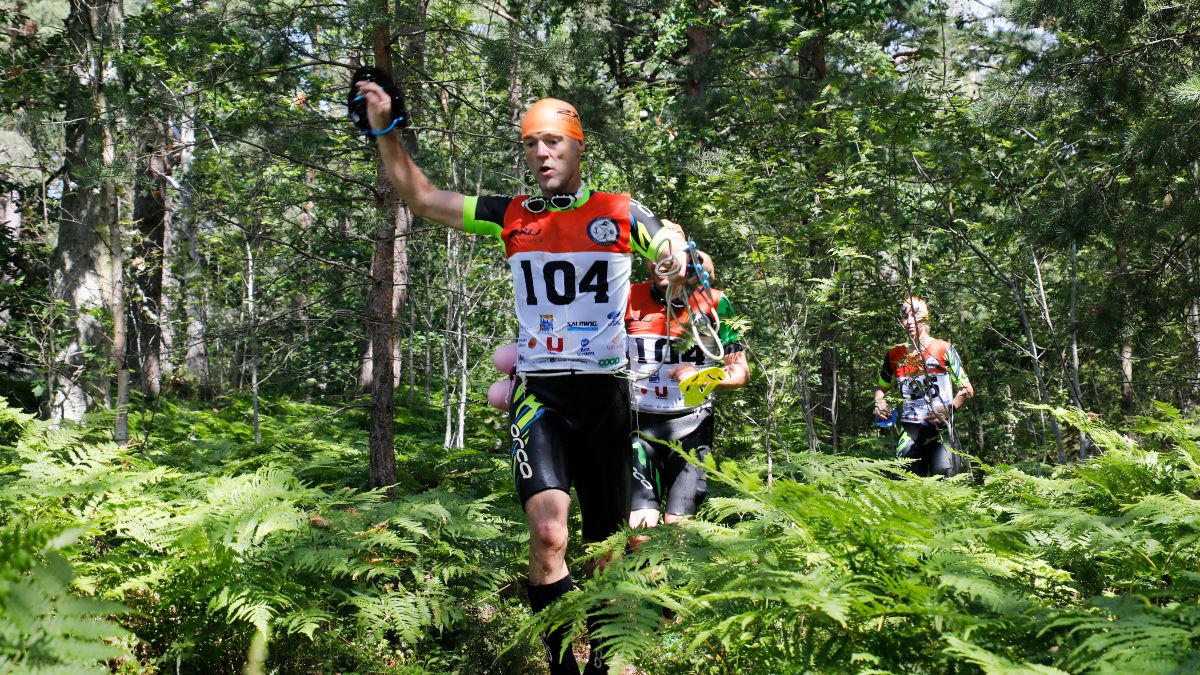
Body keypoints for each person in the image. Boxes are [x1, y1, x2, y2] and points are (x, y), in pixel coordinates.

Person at [355, 73, 689, 674]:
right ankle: (562, 663)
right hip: (540, 396)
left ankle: (606, 662)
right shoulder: (510, 214)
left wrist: (673, 250)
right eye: (532, 143)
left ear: (577, 147)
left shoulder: (617, 211)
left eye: (554, 142)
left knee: (606, 551)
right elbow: (424, 199)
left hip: (607, 397)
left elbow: (667, 237)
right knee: (548, 538)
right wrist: (385, 129)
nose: (541, 153)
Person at [627, 250, 749, 532]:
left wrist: (703, 378)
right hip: (638, 425)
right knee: (641, 523)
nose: (662, 268)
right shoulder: (628, 297)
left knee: (678, 523)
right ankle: (646, 576)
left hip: (691, 425)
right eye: (655, 259)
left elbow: (740, 372)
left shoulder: (715, 303)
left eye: (671, 262)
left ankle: (674, 577)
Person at [874, 296, 974, 477]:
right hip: (909, 432)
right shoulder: (894, 355)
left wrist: (949, 409)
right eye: (905, 317)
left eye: (915, 315)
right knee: (909, 493)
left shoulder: (943, 349)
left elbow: (967, 389)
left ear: (926, 317)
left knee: (947, 491)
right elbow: (881, 389)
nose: (910, 321)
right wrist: (880, 403)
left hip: (941, 430)